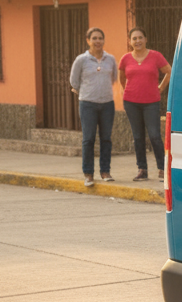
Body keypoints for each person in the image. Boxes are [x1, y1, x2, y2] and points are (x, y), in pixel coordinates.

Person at [118, 27, 170, 182]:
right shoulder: (126, 58)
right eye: (134, 38)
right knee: (138, 137)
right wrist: (126, 90)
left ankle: (162, 169)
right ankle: (142, 169)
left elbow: (168, 71)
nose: (137, 41)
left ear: (146, 39)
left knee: (154, 135)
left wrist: (160, 88)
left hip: (151, 102)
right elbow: (121, 78)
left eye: (140, 37)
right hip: (131, 102)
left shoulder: (156, 56)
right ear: (130, 41)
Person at [69, 27, 117, 186]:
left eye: (100, 38)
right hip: (87, 104)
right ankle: (88, 174)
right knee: (88, 139)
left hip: (107, 104)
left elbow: (114, 78)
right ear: (88, 40)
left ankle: (105, 171)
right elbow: (74, 81)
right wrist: (87, 93)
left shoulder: (110, 59)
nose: (98, 41)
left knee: (106, 139)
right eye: (94, 38)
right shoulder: (81, 60)